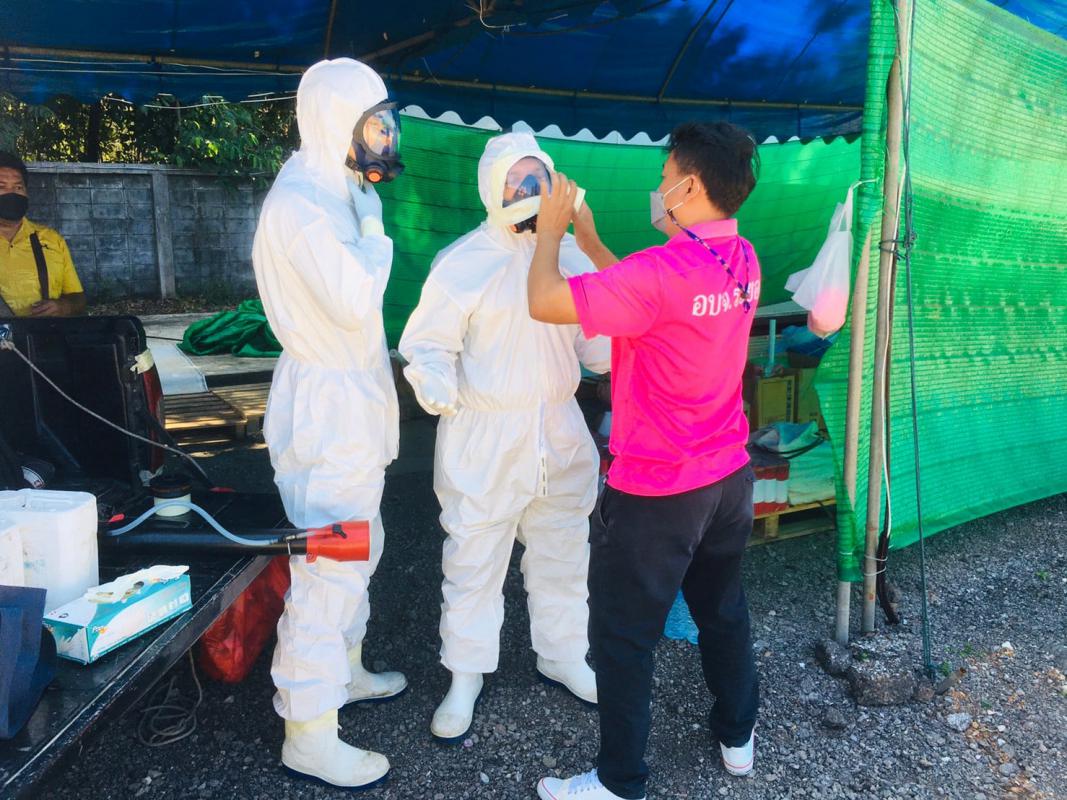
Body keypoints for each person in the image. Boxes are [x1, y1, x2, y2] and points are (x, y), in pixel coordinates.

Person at [527, 121, 763, 800]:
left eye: (663, 178)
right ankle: (737, 734)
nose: (658, 190)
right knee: (721, 609)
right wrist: (590, 241)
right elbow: (639, 296)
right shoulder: (740, 258)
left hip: (658, 492)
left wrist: (550, 235)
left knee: (624, 636)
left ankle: (618, 779)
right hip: (726, 479)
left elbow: (544, 301)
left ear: (689, 187)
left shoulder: (659, 273)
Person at [399, 132, 610, 742]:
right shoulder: (464, 261)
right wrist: (432, 378)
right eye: (516, 180)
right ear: (491, 187)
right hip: (485, 435)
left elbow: (596, 348)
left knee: (564, 552)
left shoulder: (569, 258)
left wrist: (621, 347)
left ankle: (563, 655)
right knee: (474, 559)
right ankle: (464, 674)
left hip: (558, 427)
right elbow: (428, 342)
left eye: (537, 178)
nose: (528, 191)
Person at [251, 57, 407, 789]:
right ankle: (308, 731)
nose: (386, 138)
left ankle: (343, 670)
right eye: (374, 125)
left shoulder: (332, 185)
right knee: (330, 568)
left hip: (348, 399)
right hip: (326, 407)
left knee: (359, 549)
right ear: (334, 122)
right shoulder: (303, 204)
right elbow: (352, 300)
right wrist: (377, 232)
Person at [0, 152, 86, 317]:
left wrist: (64, 306)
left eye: (18, 187)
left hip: (44, 332)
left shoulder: (52, 239)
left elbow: (78, 298)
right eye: (1, 187)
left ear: (27, 193)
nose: (12, 193)